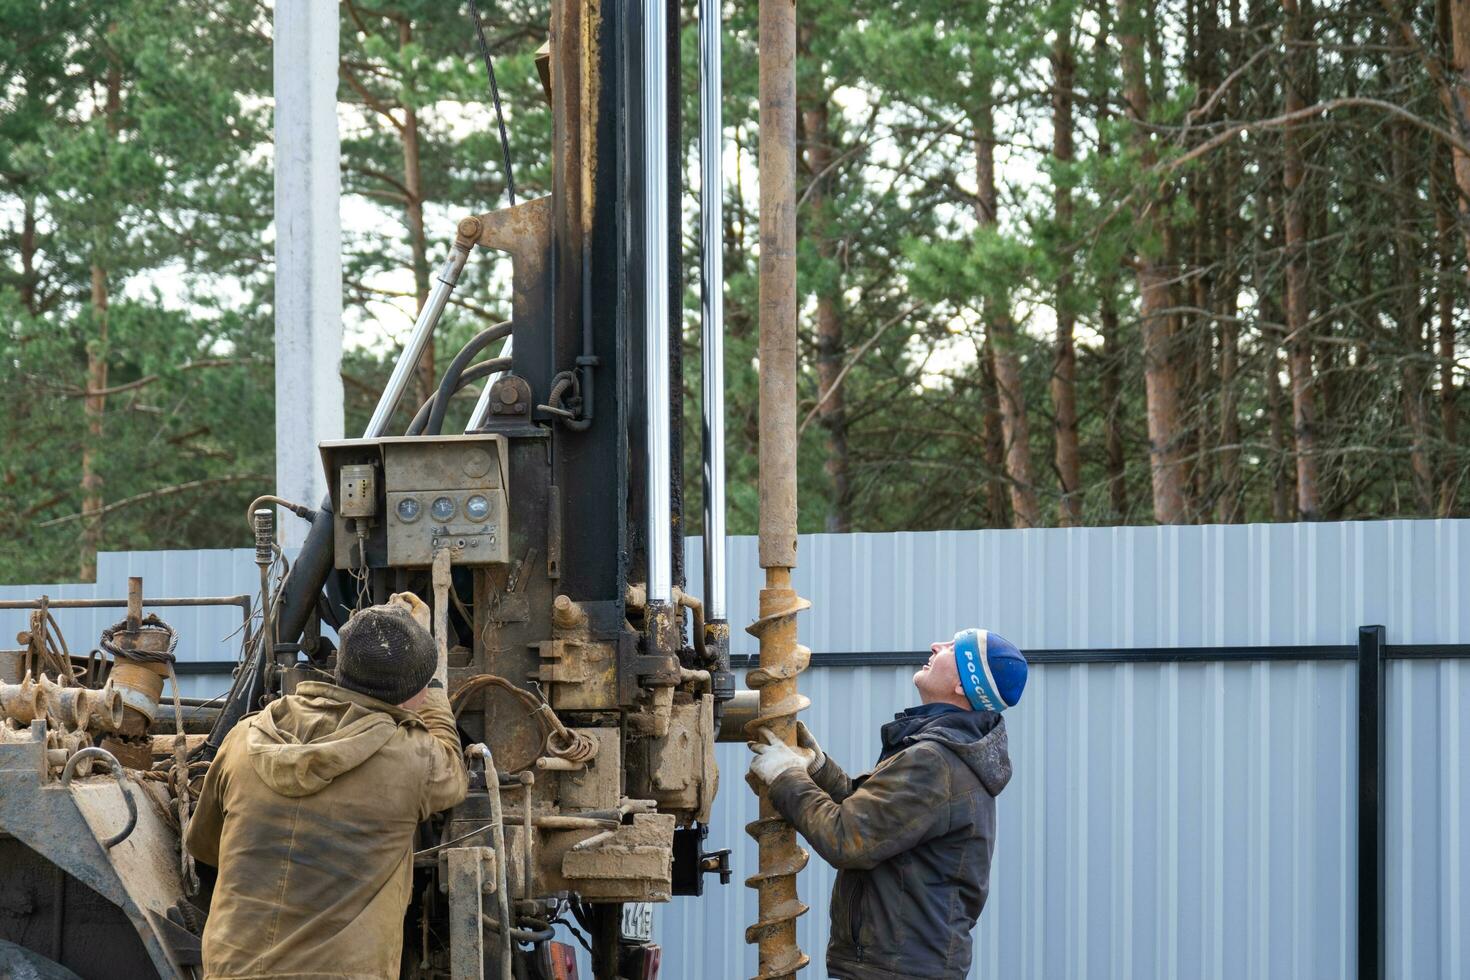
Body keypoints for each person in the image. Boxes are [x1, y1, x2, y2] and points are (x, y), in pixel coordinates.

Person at [187, 593, 468, 979]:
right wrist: (433, 683)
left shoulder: (244, 738)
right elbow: (452, 769)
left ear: (340, 668)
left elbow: (206, 846)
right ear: (413, 694)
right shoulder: (413, 761)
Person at [748, 628, 1027, 980]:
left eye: (953, 648)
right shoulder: (946, 752)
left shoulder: (936, 761)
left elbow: (847, 838)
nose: (935, 645)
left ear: (963, 685)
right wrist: (817, 769)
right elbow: (874, 821)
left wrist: (787, 776)